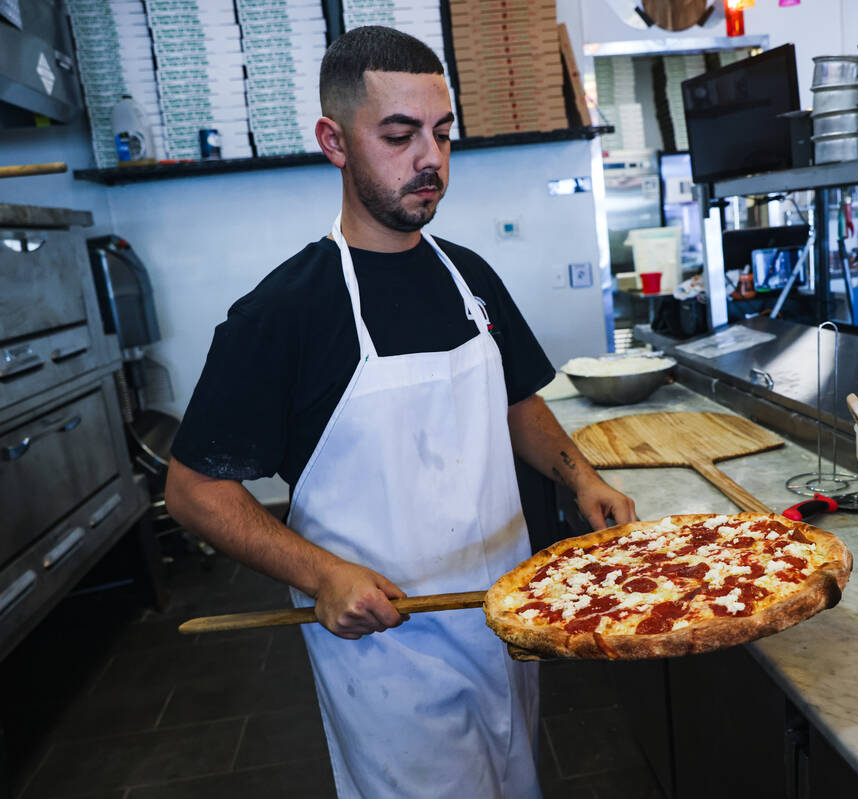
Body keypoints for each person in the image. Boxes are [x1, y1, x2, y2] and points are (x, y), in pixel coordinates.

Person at [164, 25, 636, 799]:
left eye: (443, 135)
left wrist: (581, 478)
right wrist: (320, 573)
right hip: (388, 651)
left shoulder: (468, 277)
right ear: (334, 140)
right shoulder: (284, 311)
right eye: (400, 135)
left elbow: (515, 399)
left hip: (506, 620)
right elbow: (193, 489)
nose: (431, 160)